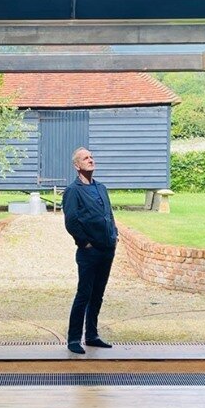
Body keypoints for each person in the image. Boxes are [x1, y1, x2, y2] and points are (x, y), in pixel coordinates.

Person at [62, 147, 118, 355]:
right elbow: (71, 221)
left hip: (107, 249)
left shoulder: (101, 188)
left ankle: (92, 335)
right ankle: (74, 339)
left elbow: (108, 214)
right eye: (86, 158)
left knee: (98, 294)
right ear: (77, 166)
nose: (91, 160)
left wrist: (115, 235)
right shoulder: (73, 191)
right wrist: (84, 242)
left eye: (92, 157)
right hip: (89, 252)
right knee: (84, 294)